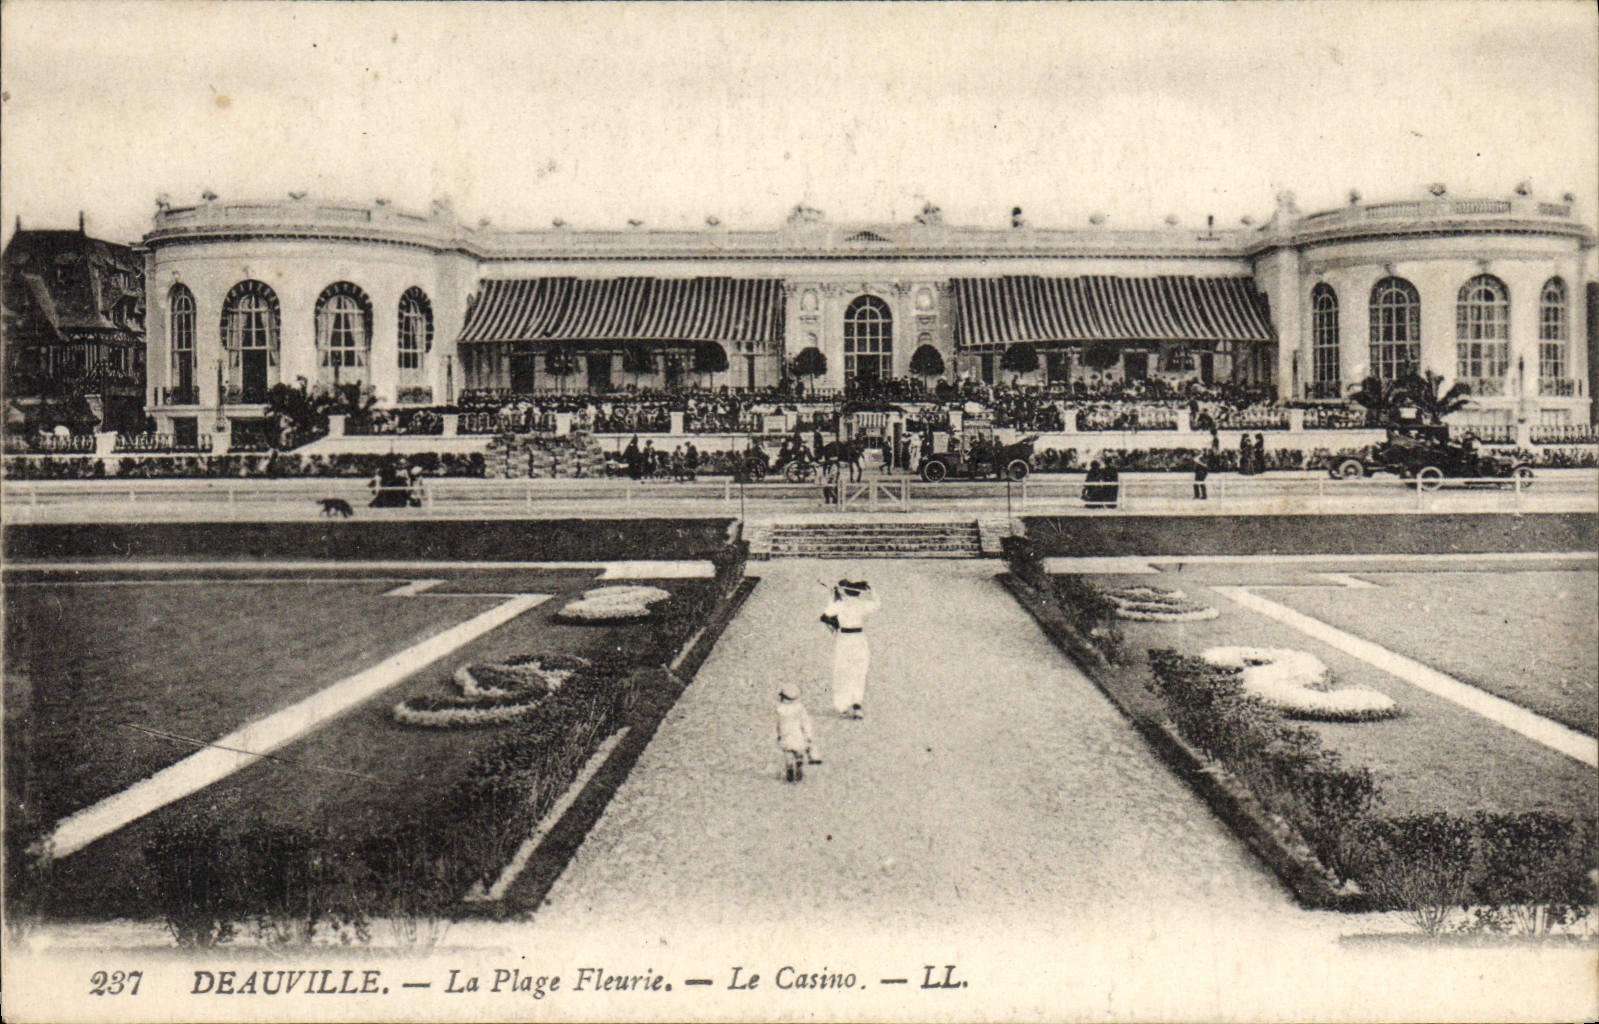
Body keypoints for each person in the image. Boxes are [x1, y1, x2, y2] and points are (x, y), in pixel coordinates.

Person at [822, 579, 880, 718]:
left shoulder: (840, 605)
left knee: (842, 671)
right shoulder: (863, 605)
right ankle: (856, 704)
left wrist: (832, 595)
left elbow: (827, 613)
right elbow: (877, 604)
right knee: (859, 671)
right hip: (859, 638)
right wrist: (873, 591)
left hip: (845, 639)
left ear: (845, 593)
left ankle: (842, 705)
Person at [775, 684, 820, 783]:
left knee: (788, 754)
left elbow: (777, 724)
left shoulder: (779, 709)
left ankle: (790, 769)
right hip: (798, 736)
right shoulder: (800, 709)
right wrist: (808, 736)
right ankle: (799, 766)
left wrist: (778, 735)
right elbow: (805, 723)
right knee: (799, 753)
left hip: (785, 736)